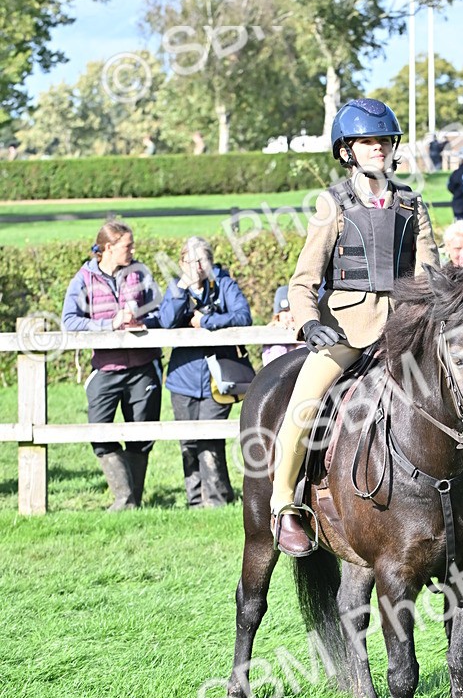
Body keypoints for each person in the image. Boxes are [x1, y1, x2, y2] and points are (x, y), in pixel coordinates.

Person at [271, 96, 440, 556]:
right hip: (346, 331)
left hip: (405, 331)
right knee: (303, 407)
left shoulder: (412, 203)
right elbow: (303, 280)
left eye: (384, 141)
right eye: (367, 142)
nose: (378, 149)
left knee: (459, 391)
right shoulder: (333, 204)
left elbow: (429, 273)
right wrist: (309, 324)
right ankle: (284, 505)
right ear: (347, 150)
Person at [61, 217, 162, 510]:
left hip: (143, 367)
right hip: (105, 368)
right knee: (99, 433)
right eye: (127, 246)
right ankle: (125, 498)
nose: (133, 250)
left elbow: (162, 310)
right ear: (108, 247)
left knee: (142, 435)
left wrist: (141, 322)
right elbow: (69, 320)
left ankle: (132, 502)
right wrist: (109, 323)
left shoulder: (139, 272)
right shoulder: (83, 279)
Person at [158, 236, 252, 508]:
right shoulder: (176, 289)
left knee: (210, 438)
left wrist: (205, 321)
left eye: (203, 260)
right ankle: (194, 500)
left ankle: (217, 499)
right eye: (191, 260)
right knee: (188, 440)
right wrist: (182, 288)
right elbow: (166, 321)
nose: (198, 266)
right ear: (181, 263)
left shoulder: (223, 283)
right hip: (182, 377)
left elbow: (243, 316)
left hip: (218, 378)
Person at [262, 285, 301, 367]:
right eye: (286, 311)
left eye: (293, 310)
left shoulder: (308, 332)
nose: (290, 315)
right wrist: (278, 331)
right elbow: (273, 367)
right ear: (278, 315)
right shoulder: (271, 336)